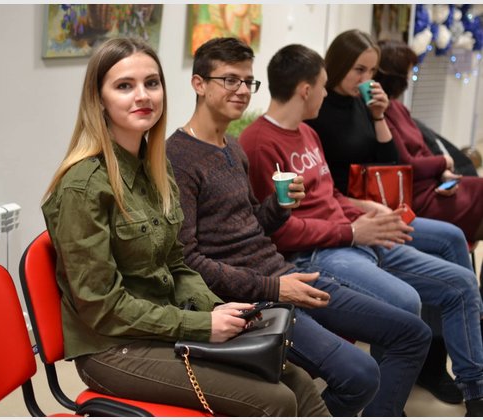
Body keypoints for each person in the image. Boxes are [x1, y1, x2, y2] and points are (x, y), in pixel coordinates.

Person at [40, 37, 328, 417]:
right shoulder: (83, 187)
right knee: (275, 400)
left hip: (162, 325)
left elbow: (176, 264)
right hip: (112, 348)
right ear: (99, 99)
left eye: (152, 83)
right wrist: (201, 325)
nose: (143, 95)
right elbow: (103, 310)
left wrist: (222, 311)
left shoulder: (156, 167)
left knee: (297, 380)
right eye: (124, 86)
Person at [166, 36, 431, 417]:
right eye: (230, 80)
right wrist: (274, 288)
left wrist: (279, 207)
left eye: (248, 81)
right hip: (250, 298)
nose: (242, 90)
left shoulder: (232, 147)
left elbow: (252, 224)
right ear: (199, 84)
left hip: (284, 275)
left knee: (413, 333)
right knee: (359, 374)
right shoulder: (178, 157)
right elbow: (188, 261)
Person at [239, 40, 483, 416]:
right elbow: (278, 231)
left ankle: (476, 394)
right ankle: (385, 406)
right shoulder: (258, 144)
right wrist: (353, 232)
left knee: (461, 283)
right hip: (318, 254)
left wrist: (365, 211)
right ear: (305, 90)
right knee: (406, 300)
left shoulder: (307, 133)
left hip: (350, 235)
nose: (326, 93)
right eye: (323, 86)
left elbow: (330, 192)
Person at [307, 29, 481, 405]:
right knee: (429, 276)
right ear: (338, 65)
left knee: (452, 240)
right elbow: (324, 188)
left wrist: (379, 117)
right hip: (355, 212)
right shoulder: (317, 111)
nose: (367, 79)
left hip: (382, 204)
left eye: (372, 71)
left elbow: (391, 163)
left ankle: (441, 360)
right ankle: (420, 367)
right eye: (359, 69)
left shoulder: (364, 103)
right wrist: (363, 210)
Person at [374, 39, 483, 244]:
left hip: (435, 185)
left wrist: (444, 174)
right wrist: (444, 162)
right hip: (418, 198)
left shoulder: (399, 108)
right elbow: (407, 164)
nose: (410, 77)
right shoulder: (379, 115)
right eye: (408, 71)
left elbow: (424, 150)